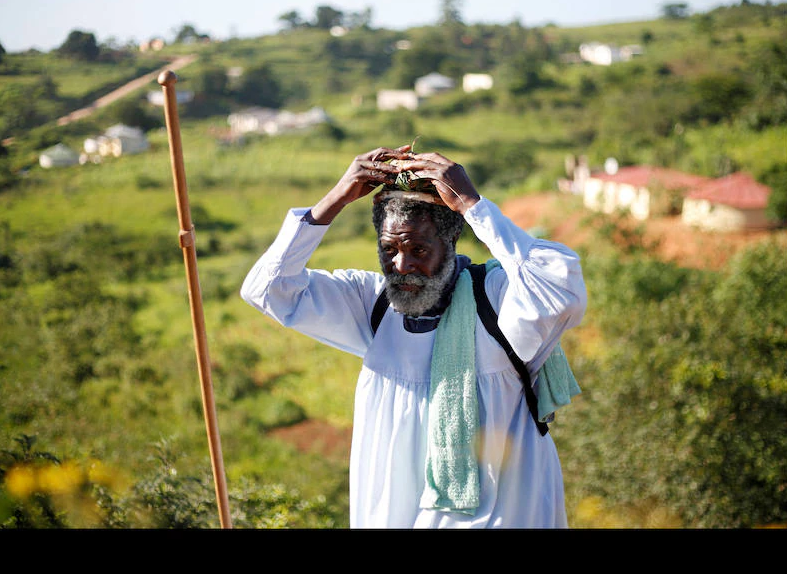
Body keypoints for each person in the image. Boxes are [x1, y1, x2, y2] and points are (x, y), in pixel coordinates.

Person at [240, 145, 587, 528]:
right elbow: (268, 290)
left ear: (451, 243)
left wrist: (473, 206)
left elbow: (560, 285)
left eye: (418, 249)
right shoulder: (372, 305)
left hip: (500, 511)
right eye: (389, 249)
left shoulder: (497, 299)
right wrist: (337, 197)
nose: (402, 266)